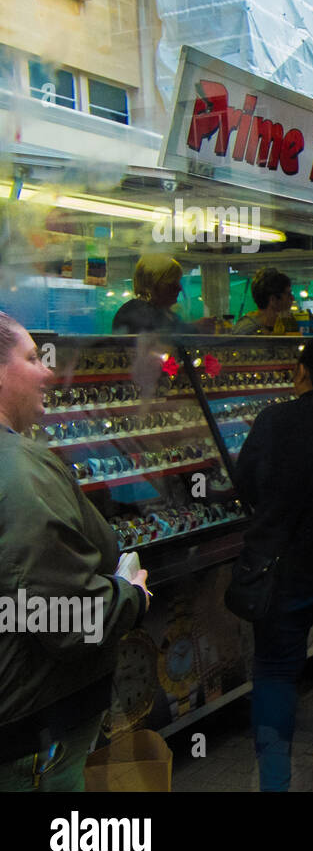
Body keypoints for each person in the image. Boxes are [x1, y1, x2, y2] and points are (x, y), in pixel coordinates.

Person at [0, 311, 151, 791]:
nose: (46, 371)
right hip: (31, 728)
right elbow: (61, 617)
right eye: (31, 358)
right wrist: (132, 596)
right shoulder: (22, 474)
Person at [234, 335, 313, 791]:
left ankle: (273, 781)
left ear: (304, 372)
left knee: (274, 672)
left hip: (280, 571)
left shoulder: (274, 420)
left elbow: (245, 483)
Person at [111, 255, 196, 334]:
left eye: (178, 282)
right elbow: (159, 339)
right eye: (172, 283)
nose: (179, 288)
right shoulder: (135, 311)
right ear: (152, 283)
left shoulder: (167, 313)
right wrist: (195, 328)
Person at [232, 268, 295, 335]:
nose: (292, 298)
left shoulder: (281, 326)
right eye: (288, 294)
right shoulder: (246, 330)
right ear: (273, 300)